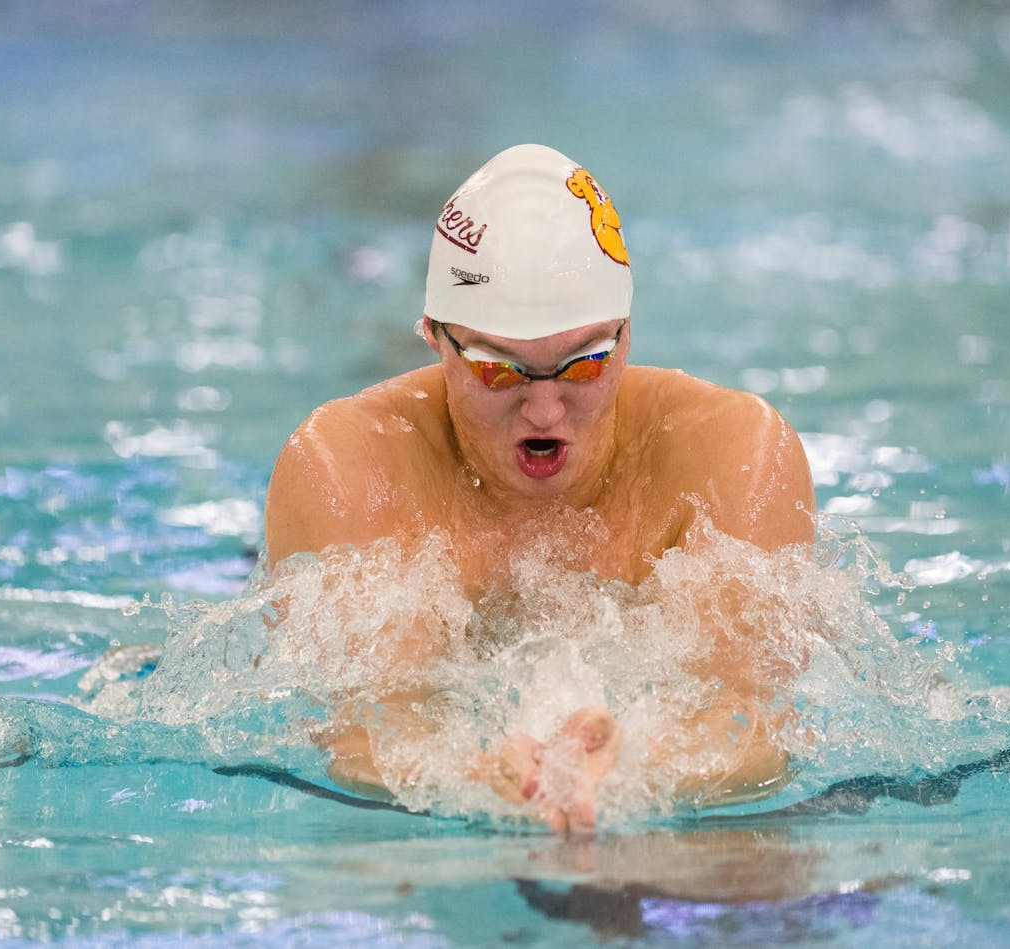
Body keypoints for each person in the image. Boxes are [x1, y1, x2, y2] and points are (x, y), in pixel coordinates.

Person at [264, 144, 815, 834]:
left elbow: (750, 721)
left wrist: (635, 769)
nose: (546, 411)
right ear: (435, 338)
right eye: (500, 370)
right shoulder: (351, 470)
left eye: (584, 364)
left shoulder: (731, 455)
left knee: (753, 872)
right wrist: (482, 776)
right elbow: (364, 731)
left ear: (626, 335)